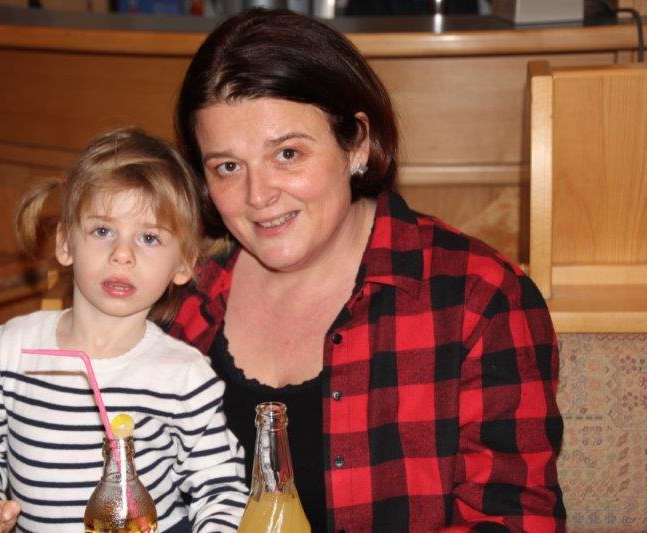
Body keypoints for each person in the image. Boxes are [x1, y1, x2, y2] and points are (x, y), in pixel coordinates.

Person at [169, 8, 565, 532]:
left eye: (287, 154)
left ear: (356, 143)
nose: (257, 195)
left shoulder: (479, 299)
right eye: (227, 166)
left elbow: (515, 521)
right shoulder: (182, 301)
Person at [0, 127, 249, 532]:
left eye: (149, 238)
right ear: (66, 243)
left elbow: (221, 490)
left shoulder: (185, 376)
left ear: (183, 263)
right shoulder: (9, 350)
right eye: (103, 231)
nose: (122, 254)